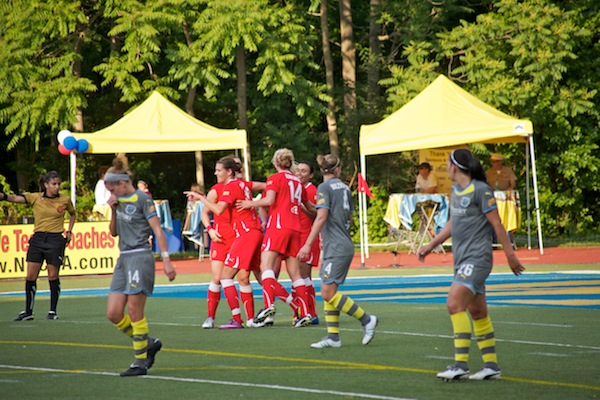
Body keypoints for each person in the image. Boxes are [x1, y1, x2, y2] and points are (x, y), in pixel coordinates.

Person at [417, 148, 525, 381]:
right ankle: (491, 366)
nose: (446, 168)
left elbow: (497, 224)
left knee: (454, 303)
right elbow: (452, 224)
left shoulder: (481, 190)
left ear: (455, 167)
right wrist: (431, 244)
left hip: (477, 258)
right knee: (478, 312)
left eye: (447, 164)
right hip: (462, 259)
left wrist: (510, 255)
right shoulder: (455, 190)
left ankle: (460, 365)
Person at [104, 156, 176, 377]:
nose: (111, 193)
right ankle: (149, 343)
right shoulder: (117, 201)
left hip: (139, 256)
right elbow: (113, 232)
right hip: (123, 258)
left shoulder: (143, 199)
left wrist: (166, 260)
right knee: (113, 313)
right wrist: (113, 210)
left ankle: (140, 362)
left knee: (135, 311)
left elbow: (158, 230)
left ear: (122, 183)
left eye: (112, 189)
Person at [297, 154, 378, 348]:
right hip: (340, 242)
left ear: (321, 170)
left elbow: (321, 216)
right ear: (338, 169)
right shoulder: (345, 188)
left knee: (327, 292)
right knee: (328, 288)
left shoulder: (324, 188)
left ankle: (367, 319)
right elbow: (349, 216)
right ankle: (333, 337)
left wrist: (308, 244)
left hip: (336, 246)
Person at [238, 148, 316, 328]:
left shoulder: (275, 178)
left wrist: (250, 203)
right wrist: (323, 213)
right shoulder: (297, 182)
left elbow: (269, 201)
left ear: (276, 162)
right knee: (295, 274)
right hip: (296, 229)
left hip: (278, 226)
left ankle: (269, 305)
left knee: (266, 267)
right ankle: (304, 313)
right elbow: (310, 206)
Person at [187, 156, 263, 329]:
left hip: (239, 237)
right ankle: (211, 317)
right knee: (218, 277)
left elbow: (266, 187)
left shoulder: (240, 185)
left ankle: (248, 318)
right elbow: (205, 213)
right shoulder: (217, 190)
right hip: (221, 239)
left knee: (243, 278)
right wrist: (210, 229)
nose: (216, 173)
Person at [2, 171, 76, 321]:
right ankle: (28, 311)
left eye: (58, 184)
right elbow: (16, 198)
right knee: (30, 276)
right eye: (54, 184)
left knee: (53, 275)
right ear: (46, 184)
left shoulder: (64, 199)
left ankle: (52, 310)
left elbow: (73, 214)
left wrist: (69, 231)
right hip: (38, 239)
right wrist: (3, 196)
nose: (57, 187)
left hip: (55, 239)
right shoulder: (36, 197)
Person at [296, 161, 320, 324]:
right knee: (299, 277)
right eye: (298, 170)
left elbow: (317, 215)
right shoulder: (295, 189)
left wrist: (302, 205)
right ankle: (303, 311)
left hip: (308, 238)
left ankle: (311, 313)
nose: (299, 173)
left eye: (304, 171)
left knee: (304, 277)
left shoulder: (312, 191)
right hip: (297, 237)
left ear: (311, 175)